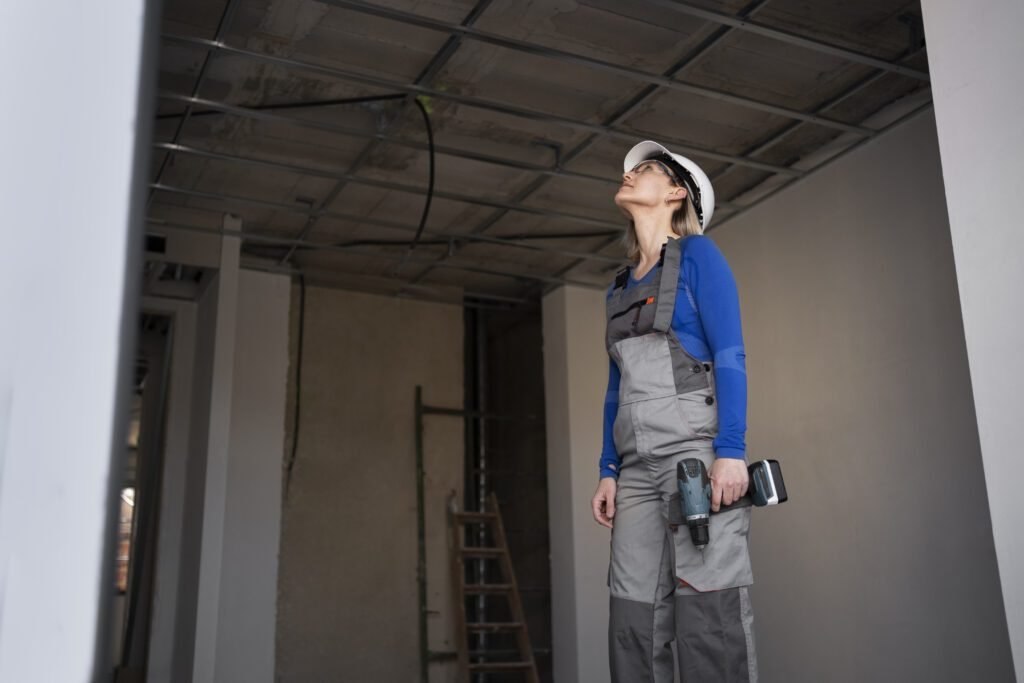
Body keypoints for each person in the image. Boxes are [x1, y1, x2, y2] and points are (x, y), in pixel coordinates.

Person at [591, 140, 757, 682]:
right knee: (633, 616)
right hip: (635, 472)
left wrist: (730, 452)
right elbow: (615, 388)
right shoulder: (618, 289)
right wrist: (607, 470)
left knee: (710, 614)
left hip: (694, 459)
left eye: (647, 169)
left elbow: (730, 353)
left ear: (674, 192)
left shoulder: (700, 257)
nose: (631, 173)